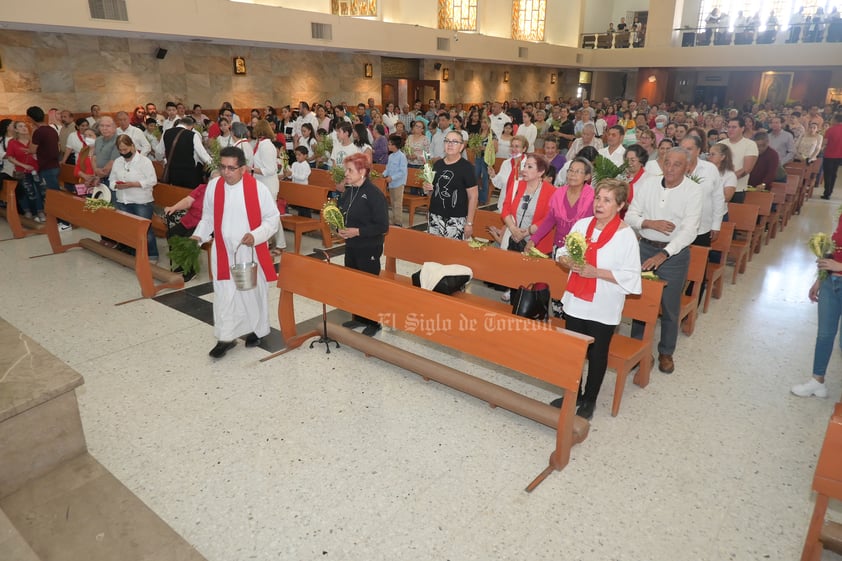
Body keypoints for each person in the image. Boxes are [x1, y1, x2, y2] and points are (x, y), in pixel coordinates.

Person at [549, 178, 642, 419]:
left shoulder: (626, 236)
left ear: (620, 205)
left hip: (604, 304)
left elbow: (632, 277)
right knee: (574, 350)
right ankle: (574, 392)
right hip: (576, 300)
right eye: (598, 198)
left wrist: (596, 272)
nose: (600, 204)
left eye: (607, 200)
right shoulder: (581, 225)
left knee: (597, 354)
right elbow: (563, 251)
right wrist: (566, 260)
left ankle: (590, 399)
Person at [191, 146, 281, 358]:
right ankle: (226, 337)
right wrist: (199, 235)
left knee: (250, 292)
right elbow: (208, 217)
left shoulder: (258, 190)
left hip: (249, 252)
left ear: (243, 169)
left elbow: (272, 219)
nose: (226, 172)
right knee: (224, 294)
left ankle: (254, 331)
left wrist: (256, 235)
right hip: (223, 250)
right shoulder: (214, 187)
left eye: (231, 168)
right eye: (222, 167)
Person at [625, 148, 702, 374]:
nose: (670, 168)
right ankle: (638, 351)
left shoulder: (693, 191)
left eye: (677, 164)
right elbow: (630, 216)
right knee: (640, 301)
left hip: (674, 256)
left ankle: (666, 352)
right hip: (644, 248)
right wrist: (649, 223)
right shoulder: (649, 184)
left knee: (669, 307)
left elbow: (689, 230)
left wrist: (665, 253)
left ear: (687, 167)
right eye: (667, 162)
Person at [792, 187, 842, 397]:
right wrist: (819, 280)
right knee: (824, 335)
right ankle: (817, 380)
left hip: (837, 272)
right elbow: (835, 244)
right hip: (830, 282)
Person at [336, 153, 390, 337]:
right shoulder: (349, 191)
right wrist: (339, 228)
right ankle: (359, 317)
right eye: (346, 170)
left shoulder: (374, 194)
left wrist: (357, 231)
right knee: (353, 284)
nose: (347, 174)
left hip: (369, 246)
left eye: (350, 170)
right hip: (351, 245)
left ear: (363, 171)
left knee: (368, 285)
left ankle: (374, 322)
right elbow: (341, 213)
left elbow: (382, 226)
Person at [108, 134, 159, 262]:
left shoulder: (144, 161)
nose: (123, 152)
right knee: (128, 228)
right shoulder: (118, 162)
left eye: (126, 149)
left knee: (145, 230)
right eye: (121, 150)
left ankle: (152, 254)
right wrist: (116, 185)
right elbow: (112, 179)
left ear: (132, 146)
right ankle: (133, 252)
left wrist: (132, 184)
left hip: (141, 201)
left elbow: (152, 181)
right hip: (123, 200)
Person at [529, 157, 595, 254]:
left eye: (578, 171)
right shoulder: (558, 194)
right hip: (559, 247)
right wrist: (533, 240)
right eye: (571, 170)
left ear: (587, 176)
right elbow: (550, 220)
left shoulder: (593, 197)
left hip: (582, 250)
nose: (572, 174)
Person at [423, 130, 478, 240]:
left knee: (452, 254)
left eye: (454, 141)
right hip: (435, 215)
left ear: (461, 146)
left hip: (456, 218)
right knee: (435, 251)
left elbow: (473, 197)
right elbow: (433, 192)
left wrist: (469, 223)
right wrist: (427, 189)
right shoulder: (438, 165)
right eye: (447, 141)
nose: (450, 144)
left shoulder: (467, 168)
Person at [5, 121, 45, 222]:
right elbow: (10, 157)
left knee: (40, 191)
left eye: (25, 126)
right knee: (29, 192)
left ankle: (40, 211)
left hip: (36, 170)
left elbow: (42, 153)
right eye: (20, 126)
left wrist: (37, 157)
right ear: (16, 129)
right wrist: (23, 165)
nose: (24, 128)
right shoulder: (12, 142)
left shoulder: (33, 140)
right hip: (22, 171)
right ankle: (31, 212)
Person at [718, 117, 758, 203]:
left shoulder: (750, 145)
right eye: (729, 127)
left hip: (738, 189)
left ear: (742, 129)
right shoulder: (721, 144)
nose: (730, 130)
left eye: (734, 127)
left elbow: (746, 169)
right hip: (718, 188)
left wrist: (726, 181)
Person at [26, 106, 61, 193]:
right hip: (55, 164)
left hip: (46, 166)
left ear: (30, 118)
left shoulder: (38, 131)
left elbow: (32, 150)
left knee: (51, 193)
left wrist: (33, 131)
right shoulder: (52, 130)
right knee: (54, 191)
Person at [490, 135, 528, 211]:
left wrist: (524, 177)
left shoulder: (529, 164)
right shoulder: (506, 163)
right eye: (512, 146)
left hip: (520, 206)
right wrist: (493, 175)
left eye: (517, 146)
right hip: (504, 203)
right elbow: (500, 185)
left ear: (524, 149)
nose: (513, 149)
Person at [383, 133, 408, 227]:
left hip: (398, 183)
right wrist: (383, 175)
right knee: (392, 203)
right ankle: (394, 220)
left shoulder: (401, 156)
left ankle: (398, 222)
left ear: (395, 145)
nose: (388, 146)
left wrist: (392, 178)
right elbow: (388, 169)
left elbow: (402, 172)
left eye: (390, 144)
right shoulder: (391, 156)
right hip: (391, 184)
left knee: (397, 203)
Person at [821, 113, 842, 200]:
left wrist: (821, 149)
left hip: (829, 155)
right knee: (834, 174)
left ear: (836, 120)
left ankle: (827, 193)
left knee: (827, 174)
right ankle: (830, 191)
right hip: (839, 155)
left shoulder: (830, 130)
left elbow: (825, 143)